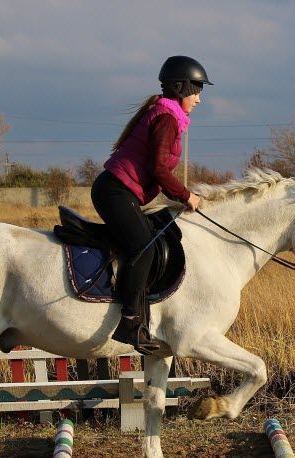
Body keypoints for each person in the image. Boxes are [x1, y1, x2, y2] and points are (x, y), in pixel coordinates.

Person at [91, 55, 212, 353]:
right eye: (196, 91)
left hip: (119, 191)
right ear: (180, 88)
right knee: (143, 247)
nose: (198, 99)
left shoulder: (166, 115)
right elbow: (159, 169)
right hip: (115, 192)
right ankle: (130, 323)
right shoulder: (166, 119)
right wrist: (186, 196)